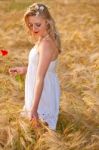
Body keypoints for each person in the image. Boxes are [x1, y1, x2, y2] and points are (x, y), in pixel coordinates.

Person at [9, 3, 61, 131]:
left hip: (43, 93)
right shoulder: (42, 39)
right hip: (39, 88)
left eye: (38, 24)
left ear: (47, 22)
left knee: (42, 131)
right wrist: (25, 70)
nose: (33, 29)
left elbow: (41, 77)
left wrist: (34, 108)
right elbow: (43, 67)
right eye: (30, 25)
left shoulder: (46, 44)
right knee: (36, 131)